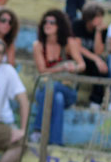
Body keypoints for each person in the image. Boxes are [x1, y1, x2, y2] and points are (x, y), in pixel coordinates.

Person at [31, 10, 85, 146]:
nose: (47, 25)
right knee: (57, 98)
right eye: (45, 22)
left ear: (60, 25)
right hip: (45, 90)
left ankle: (38, 129)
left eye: (52, 22)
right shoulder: (38, 45)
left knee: (55, 88)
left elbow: (82, 65)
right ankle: (55, 142)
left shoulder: (69, 43)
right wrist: (61, 68)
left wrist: (73, 68)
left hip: (68, 89)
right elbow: (42, 71)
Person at [72, 2, 108, 110]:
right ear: (89, 18)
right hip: (78, 56)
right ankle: (72, 97)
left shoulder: (102, 30)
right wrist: (96, 59)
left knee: (101, 67)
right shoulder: (77, 24)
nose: (100, 20)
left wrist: (98, 32)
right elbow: (77, 47)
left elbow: (98, 51)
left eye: (101, 16)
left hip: (92, 60)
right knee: (76, 65)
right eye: (98, 17)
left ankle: (96, 101)